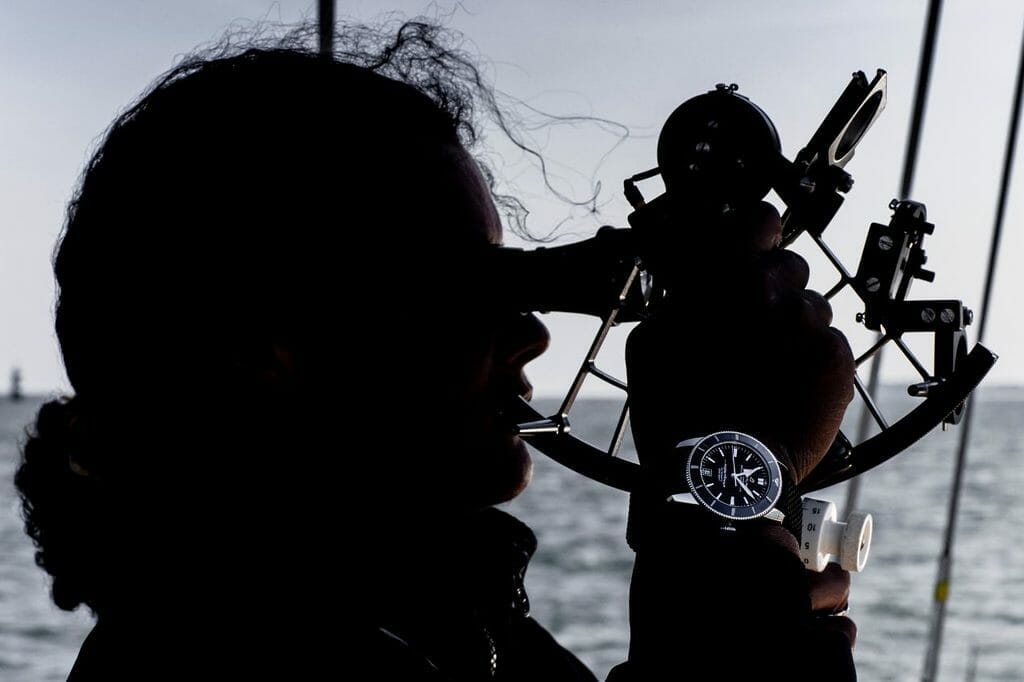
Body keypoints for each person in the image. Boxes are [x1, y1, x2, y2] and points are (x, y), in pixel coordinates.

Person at [15, 19, 856, 680]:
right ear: (266, 344)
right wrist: (735, 479)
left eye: (513, 281)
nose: (531, 331)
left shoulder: (437, 625)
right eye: (459, 287)